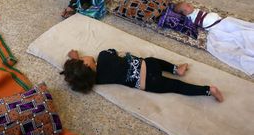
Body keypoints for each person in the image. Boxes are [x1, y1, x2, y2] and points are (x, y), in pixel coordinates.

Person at [62, 49, 224, 102]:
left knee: (177, 87)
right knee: (154, 60)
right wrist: (76, 57)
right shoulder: (103, 56)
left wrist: (76, 61)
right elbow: (112, 51)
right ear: (87, 64)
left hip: (148, 83)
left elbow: (83, 73)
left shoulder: (97, 80)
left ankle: (209, 90)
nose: (84, 56)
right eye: (83, 59)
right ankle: (176, 69)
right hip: (148, 65)